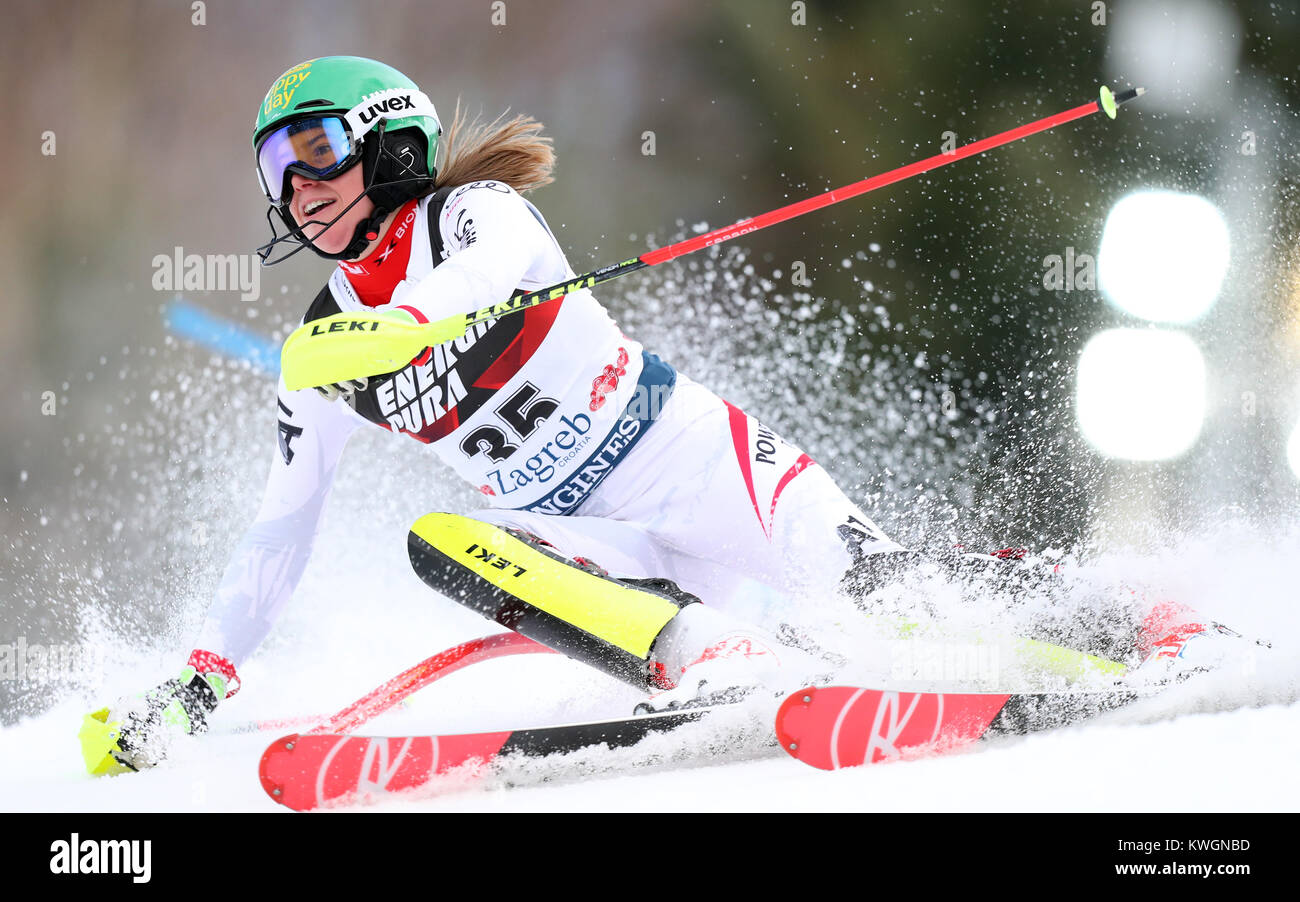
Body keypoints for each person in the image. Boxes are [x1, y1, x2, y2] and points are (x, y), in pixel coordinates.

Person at [89, 56, 1227, 772]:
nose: (296, 188)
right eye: (275, 169)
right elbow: (280, 529)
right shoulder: (318, 349)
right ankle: (713, 656)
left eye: (315, 150)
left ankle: (1147, 617)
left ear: (389, 143)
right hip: (592, 545)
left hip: (703, 467)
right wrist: (200, 681)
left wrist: (356, 345)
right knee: (442, 540)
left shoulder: (476, 217)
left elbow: (447, 304)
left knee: (905, 602)